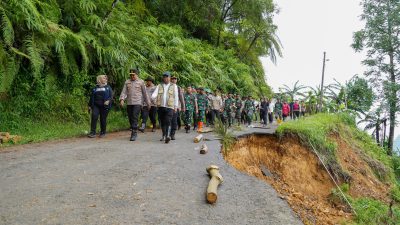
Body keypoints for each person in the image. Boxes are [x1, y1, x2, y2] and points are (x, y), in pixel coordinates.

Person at [119, 69, 150, 141]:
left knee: (134, 116)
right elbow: (124, 92)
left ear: (137, 75)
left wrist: (148, 103)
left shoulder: (141, 82)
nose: (132, 76)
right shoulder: (127, 82)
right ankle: (134, 127)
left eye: (133, 75)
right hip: (129, 102)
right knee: (130, 117)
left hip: (138, 102)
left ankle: (134, 132)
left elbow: (145, 93)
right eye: (131, 75)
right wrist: (122, 99)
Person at [151, 72, 179, 143]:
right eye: (164, 77)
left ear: (169, 78)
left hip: (170, 107)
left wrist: (176, 106)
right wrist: (153, 98)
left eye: (167, 77)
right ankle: (164, 135)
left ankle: (168, 136)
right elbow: (155, 93)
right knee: (163, 122)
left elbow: (176, 96)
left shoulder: (174, 86)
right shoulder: (159, 85)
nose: (166, 78)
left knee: (168, 121)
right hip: (161, 106)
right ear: (163, 78)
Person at [170, 75, 185, 140]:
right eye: (172, 79)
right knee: (168, 120)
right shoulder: (168, 86)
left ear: (176, 80)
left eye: (175, 79)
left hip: (176, 106)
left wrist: (183, 106)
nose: (173, 80)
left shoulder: (178, 87)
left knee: (175, 120)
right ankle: (167, 133)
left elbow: (181, 98)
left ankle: (173, 133)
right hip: (168, 106)